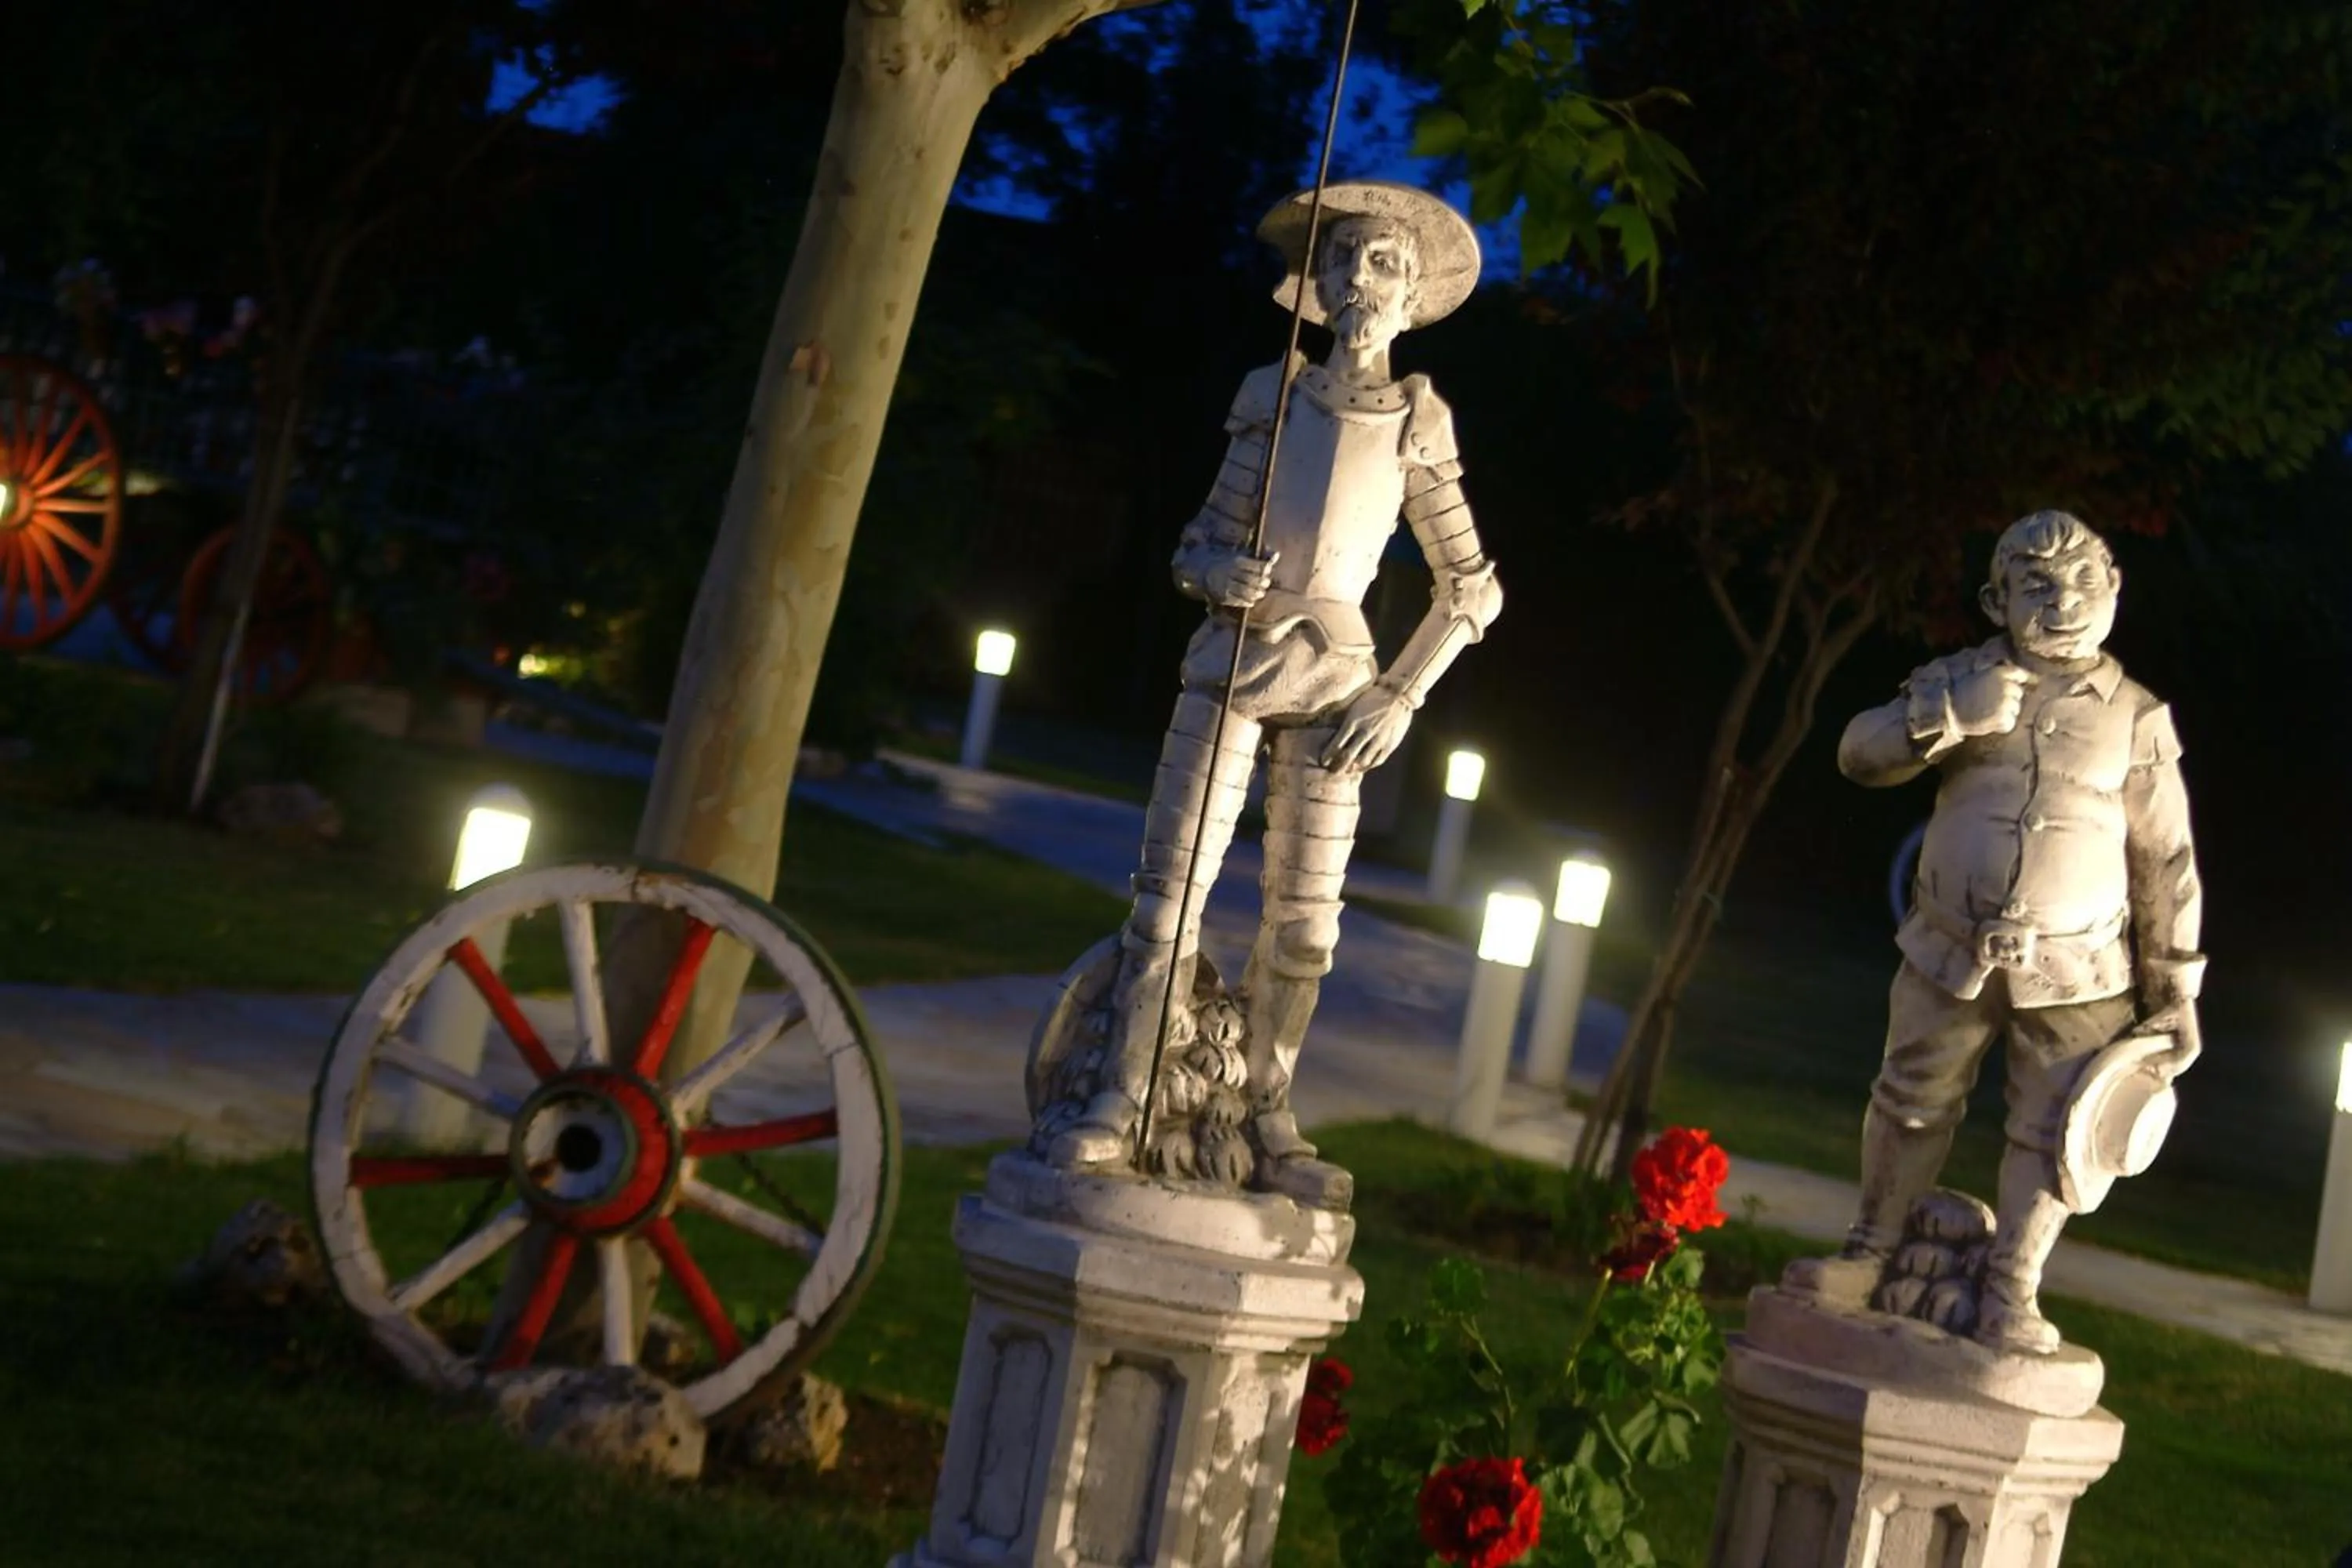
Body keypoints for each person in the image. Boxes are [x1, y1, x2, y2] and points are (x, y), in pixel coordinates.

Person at [1044, 181, 1502, 1202]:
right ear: (1318, 283)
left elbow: (1473, 589)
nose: (1360, 280)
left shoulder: (1417, 421)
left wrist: (1401, 695)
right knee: (1169, 900)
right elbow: (1196, 541)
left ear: (1414, 289)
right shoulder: (1275, 393)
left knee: (1306, 926)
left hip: (1339, 683)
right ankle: (1120, 1097)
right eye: (1343, 260)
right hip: (1233, 662)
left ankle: (1266, 1111)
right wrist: (1216, 576)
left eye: (1383, 262)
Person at [1795, 510, 2204, 1352]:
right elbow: (1859, 753)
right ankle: (1870, 1253)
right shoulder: (1964, 678)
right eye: (2037, 586)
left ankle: (2012, 1285)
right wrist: (1946, 714)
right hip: (1951, 947)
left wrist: (2174, 989)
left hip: (2081, 968)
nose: (2065, 601)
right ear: (1995, 599)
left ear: (2116, 588)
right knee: (1910, 1096)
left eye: (2086, 581)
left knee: (2058, 1127)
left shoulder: (2136, 717)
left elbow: (2166, 859)